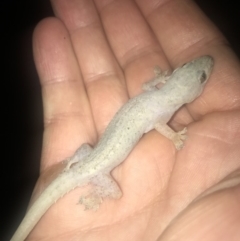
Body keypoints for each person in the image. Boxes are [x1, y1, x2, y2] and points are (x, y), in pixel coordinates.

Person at [29, 0, 240, 240]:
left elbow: (146, 86)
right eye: (199, 73)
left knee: (86, 152)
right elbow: (160, 125)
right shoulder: (164, 111)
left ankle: (72, 163)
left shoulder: (158, 95)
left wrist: (163, 79)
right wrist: (174, 136)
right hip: (94, 171)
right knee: (116, 194)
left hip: (85, 160)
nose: (205, 69)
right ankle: (96, 190)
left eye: (200, 76)